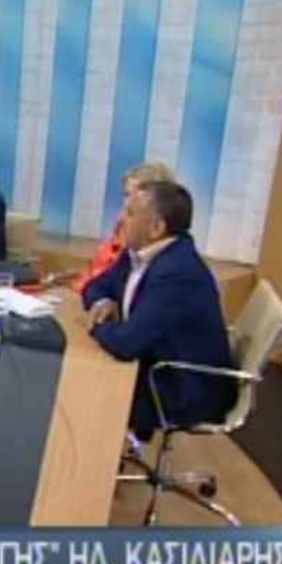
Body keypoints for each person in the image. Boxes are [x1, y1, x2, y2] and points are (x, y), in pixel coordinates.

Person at [83, 182, 236, 439]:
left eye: (130, 213)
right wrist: (102, 304)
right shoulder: (137, 253)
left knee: (85, 386)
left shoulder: (178, 273)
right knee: (84, 376)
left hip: (181, 390)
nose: (120, 219)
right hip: (153, 368)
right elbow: (95, 286)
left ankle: (87, 459)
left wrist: (96, 324)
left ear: (156, 228)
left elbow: (126, 344)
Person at [73, 161, 175, 294]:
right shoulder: (122, 228)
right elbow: (99, 278)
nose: (127, 203)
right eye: (125, 195)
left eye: (132, 195)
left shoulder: (169, 264)